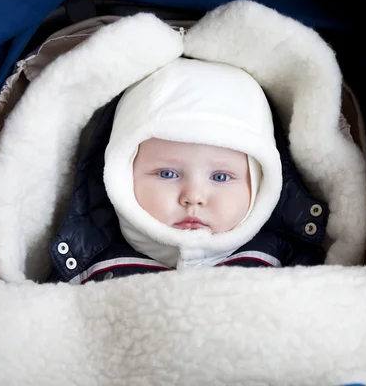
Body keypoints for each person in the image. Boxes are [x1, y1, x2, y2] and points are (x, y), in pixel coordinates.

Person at [48, 57, 328, 284]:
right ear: (121, 177)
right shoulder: (87, 263)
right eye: (168, 174)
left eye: (220, 177)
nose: (193, 197)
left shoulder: (285, 263)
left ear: (260, 185)